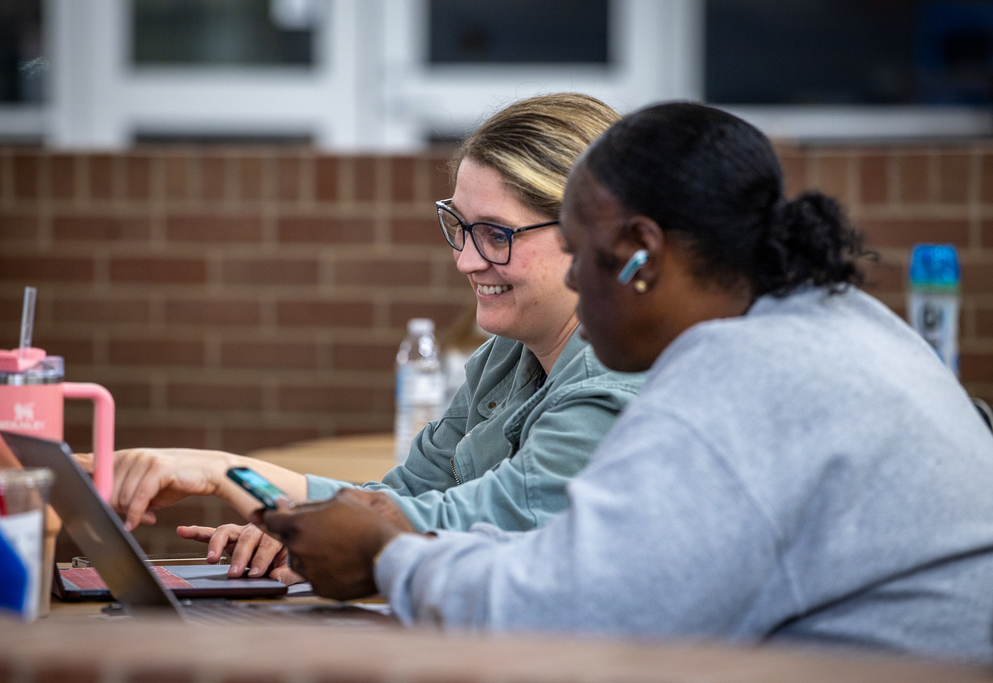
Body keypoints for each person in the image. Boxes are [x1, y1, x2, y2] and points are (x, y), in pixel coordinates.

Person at [255, 102, 993, 663]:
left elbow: (576, 605)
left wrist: (388, 557)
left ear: (642, 254)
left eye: (580, 252)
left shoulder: (740, 379)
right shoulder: (836, 320)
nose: (575, 278)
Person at [82, 93, 647, 583]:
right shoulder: (505, 359)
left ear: (589, 232)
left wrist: (230, 476)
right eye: (459, 226)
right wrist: (276, 512)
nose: (466, 261)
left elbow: (489, 516)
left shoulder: (610, 377)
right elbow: (405, 495)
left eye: (497, 235)